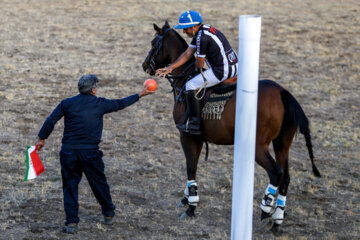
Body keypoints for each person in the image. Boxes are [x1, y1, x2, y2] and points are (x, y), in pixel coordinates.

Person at [35, 74, 154, 234]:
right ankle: (108, 213)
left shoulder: (67, 103)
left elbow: (51, 120)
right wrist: (140, 94)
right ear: (93, 90)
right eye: (96, 86)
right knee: (99, 183)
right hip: (90, 153)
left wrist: (42, 138)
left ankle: (71, 222)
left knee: (70, 186)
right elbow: (120, 104)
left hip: (68, 152)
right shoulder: (100, 104)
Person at [156, 10, 238, 135]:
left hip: (223, 71)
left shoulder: (202, 38)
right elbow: (188, 53)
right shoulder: (204, 30)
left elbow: (199, 64)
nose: (183, 32)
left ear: (194, 26)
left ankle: (195, 123)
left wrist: (195, 70)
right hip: (235, 66)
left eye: (186, 28)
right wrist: (170, 68)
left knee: (190, 85)